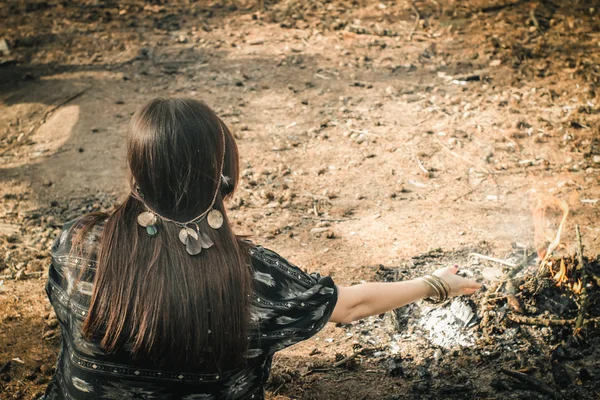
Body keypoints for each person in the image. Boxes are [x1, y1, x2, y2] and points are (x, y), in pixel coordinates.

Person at [43, 98, 482, 400]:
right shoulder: (255, 280)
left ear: (138, 170)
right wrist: (434, 284)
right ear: (220, 176)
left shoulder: (75, 244)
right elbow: (351, 305)